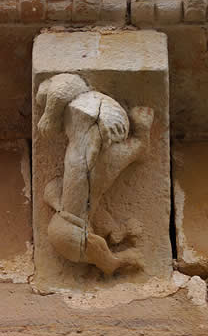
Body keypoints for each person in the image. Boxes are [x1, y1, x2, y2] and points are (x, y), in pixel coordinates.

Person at [36, 73, 154, 275]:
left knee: (97, 163)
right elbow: (52, 189)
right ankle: (138, 139)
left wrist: (50, 114)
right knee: (100, 167)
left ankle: (138, 139)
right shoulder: (69, 214)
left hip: (90, 143)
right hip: (90, 157)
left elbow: (64, 88)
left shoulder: (68, 219)